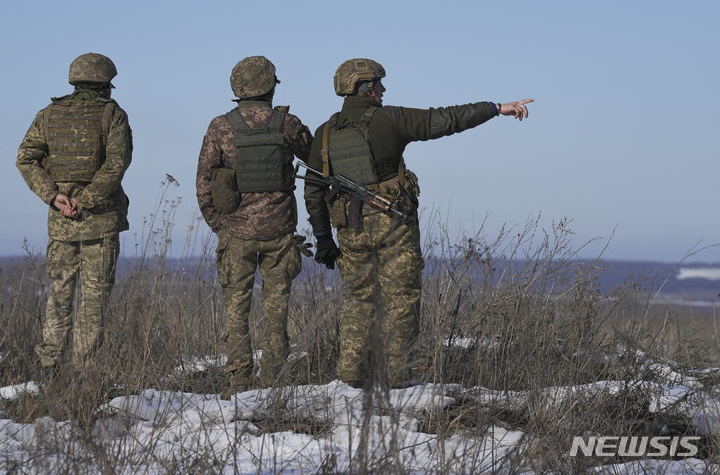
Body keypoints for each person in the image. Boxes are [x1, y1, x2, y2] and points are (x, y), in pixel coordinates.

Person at [303, 58, 533, 389]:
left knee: (356, 302)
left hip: (349, 231)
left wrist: (324, 238)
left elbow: (313, 189)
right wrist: (496, 108)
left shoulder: (324, 135)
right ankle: (397, 382)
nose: (383, 89)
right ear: (365, 87)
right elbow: (447, 119)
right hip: (393, 227)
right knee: (401, 301)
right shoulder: (390, 119)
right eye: (379, 84)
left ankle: (349, 384)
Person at [196, 56, 313, 398]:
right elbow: (319, 162)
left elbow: (204, 182)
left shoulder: (220, 126)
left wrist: (220, 225)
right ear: (270, 86)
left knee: (236, 312)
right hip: (280, 235)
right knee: (277, 312)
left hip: (235, 234)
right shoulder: (287, 124)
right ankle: (273, 381)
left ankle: (239, 383)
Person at [16, 53, 133, 386]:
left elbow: (25, 159)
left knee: (59, 295)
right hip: (102, 223)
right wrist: (87, 201)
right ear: (105, 85)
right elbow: (116, 165)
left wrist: (54, 197)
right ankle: (85, 374)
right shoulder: (113, 115)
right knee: (94, 301)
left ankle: (48, 368)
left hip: (61, 225)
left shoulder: (48, 115)